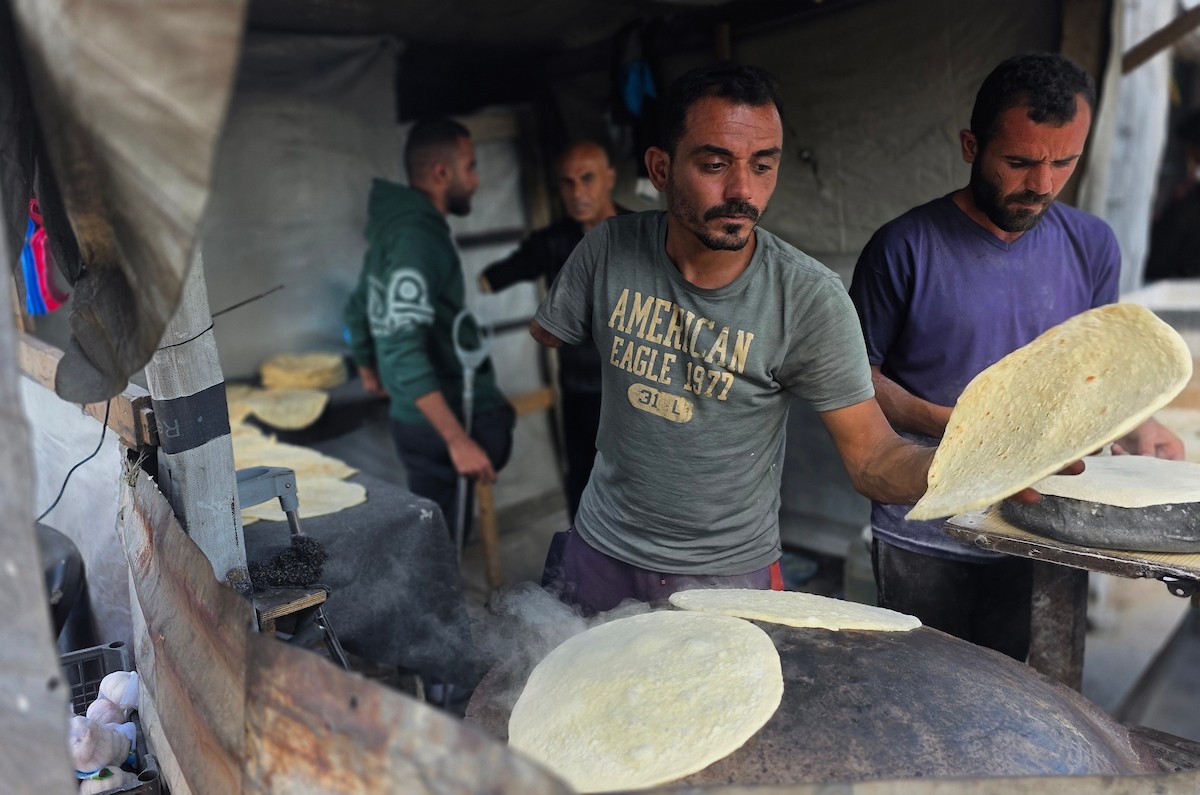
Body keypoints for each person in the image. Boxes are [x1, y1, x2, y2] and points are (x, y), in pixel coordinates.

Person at [530, 64, 937, 616]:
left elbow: (873, 456)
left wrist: (968, 472)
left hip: (723, 573)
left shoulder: (807, 297)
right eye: (715, 165)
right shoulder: (607, 249)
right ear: (660, 169)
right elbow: (549, 331)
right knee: (564, 669)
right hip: (599, 546)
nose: (743, 191)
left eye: (762, 166)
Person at [849, 53, 1183, 662]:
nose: (1043, 185)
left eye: (1065, 162)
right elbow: (856, 379)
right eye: (1020, 162)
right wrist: (958, 428)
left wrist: (1139, 422)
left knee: (1022, 690)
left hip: (1044, 523)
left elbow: (1098, 373)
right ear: (971, 146)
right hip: (927, 525)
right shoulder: (904, 247)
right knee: (925, 688)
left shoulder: (1091, 245)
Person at [344, 118, 515, 544]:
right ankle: (442, 587)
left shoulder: (393, 230)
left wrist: (367, 368)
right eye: (470, 167)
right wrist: (457, 440)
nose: (475, 181)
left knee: (436, 534)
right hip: (443, 419)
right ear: (441, 173)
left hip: (411, 417)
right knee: (443, 542)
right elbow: (403, 346)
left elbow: (358, 307)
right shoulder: (416, 238)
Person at [479, 141, 629, 518]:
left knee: (638, 477)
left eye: (587, 179)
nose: (577, 192)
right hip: (580, 387)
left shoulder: (643, 234)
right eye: (567, 182)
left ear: (609, 178)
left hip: (637, 385)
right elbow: (493, 277)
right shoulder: (553, 241)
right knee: (583, 479)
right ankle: (583, 551)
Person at [1145, 109, 1200, 282]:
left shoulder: (1188, 206)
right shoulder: (1188, 196)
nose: (1188, 154)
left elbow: (1157, 261)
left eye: (1191, 148)